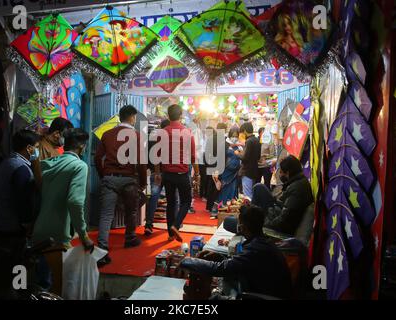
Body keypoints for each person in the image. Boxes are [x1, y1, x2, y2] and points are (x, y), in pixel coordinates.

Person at [179, 205, 292, 299]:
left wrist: (187, 261)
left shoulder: (255, 249)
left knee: (214, 298)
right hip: (264, 289)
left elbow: (220, 269)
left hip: (261, 295)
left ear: (241, 227)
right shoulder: (263, 242)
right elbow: (240, 264)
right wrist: (219, 257)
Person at [32, 128, 94, 294]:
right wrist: (84, 235)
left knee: (40, 286)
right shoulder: (79, 166)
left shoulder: (49, 163)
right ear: (81, 146)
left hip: (38, 231)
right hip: (57, 236)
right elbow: (75, 201)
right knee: (57, 290)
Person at [95, 105, 147, 263]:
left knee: (106, 215)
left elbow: (97, 158)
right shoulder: (136, 136)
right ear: (132, 117)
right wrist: (143, 182)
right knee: (131, 211)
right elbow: (141, 161)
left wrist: (103, 175)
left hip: (109, 178)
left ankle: (102, 248)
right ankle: (130, 238)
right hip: (129, 179)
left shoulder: (107, 134)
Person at [155, 104, 199, 242]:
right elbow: (193, 156)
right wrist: (197, 174)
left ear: (168, 116)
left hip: (167, 174)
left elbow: (157, 155)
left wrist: (157, 173)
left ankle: (170, 233)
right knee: (186, 201)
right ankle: (175, 225)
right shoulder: (187, 133)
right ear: (181, 116)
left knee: (171, 203)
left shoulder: (162, 133)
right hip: (182, 174)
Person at [0, 130, 41, 250]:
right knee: (16, 264)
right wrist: (27, 223)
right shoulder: (21, 168)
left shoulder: (7, 162)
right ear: (29, 148)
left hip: (0, 221)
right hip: (13, 227)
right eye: (36, 147)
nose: (37, 151)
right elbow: (23, 200)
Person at [252, 155, 314, 235]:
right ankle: (251, 216)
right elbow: (284, 205)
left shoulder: (297, 188)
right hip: (276, 213)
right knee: (259, 188)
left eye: (281, 172)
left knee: (258, 188)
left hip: (279, 227)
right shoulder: (297, 183)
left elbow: (283, 221)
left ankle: (250, 221)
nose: (280, 175)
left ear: (287, 173)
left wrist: (263, 223)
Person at [215, 127, 242, 216]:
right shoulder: (225, 144)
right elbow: (220, 158)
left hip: (235, 173)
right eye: (233, 136)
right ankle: (221, 208)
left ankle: (230, 210)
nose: (235, 138)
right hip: (226, 172)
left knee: (233, 191)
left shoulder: (239, 145)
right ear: (230, 135)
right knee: (225, 190)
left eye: (236, 136)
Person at [237, 122, 261, 200]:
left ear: (244, 131)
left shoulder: (249, 141)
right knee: (251, 193)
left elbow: (245, 158)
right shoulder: (257, 140)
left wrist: (237, 153)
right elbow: (258, 156)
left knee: (247, 195)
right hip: (254, 170)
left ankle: (249, 211)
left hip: (247, 171)